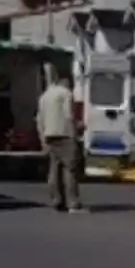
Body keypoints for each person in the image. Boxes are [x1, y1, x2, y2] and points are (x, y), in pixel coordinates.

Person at [36, 67, 85, 213]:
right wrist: (78, 128)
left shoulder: (44, 96)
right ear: (67, 82)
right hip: (65, 134)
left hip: (50, 135)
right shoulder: (66, 94)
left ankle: (56, 199)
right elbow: (69, 115)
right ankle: (73, 203)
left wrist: (42, 138)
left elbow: (40, 119)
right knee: (70, 169)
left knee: (54, 169)